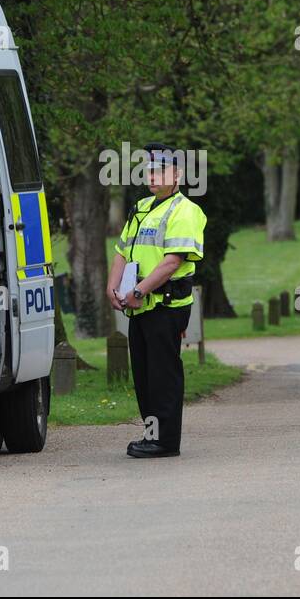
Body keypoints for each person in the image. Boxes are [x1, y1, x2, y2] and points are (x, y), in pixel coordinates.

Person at [106, 142, 206, 458]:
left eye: (159, 171)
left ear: (176, 174)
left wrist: (137, 292)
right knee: (145, 378)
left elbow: (172, 262)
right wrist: (112, 287)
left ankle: (165, 442)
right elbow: (122, 251)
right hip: (140, 307)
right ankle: (151, 436)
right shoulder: (142, 207)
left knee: (163, 377)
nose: (152, 176)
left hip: (165, 307)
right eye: (149, 171)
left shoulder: (185, 211)